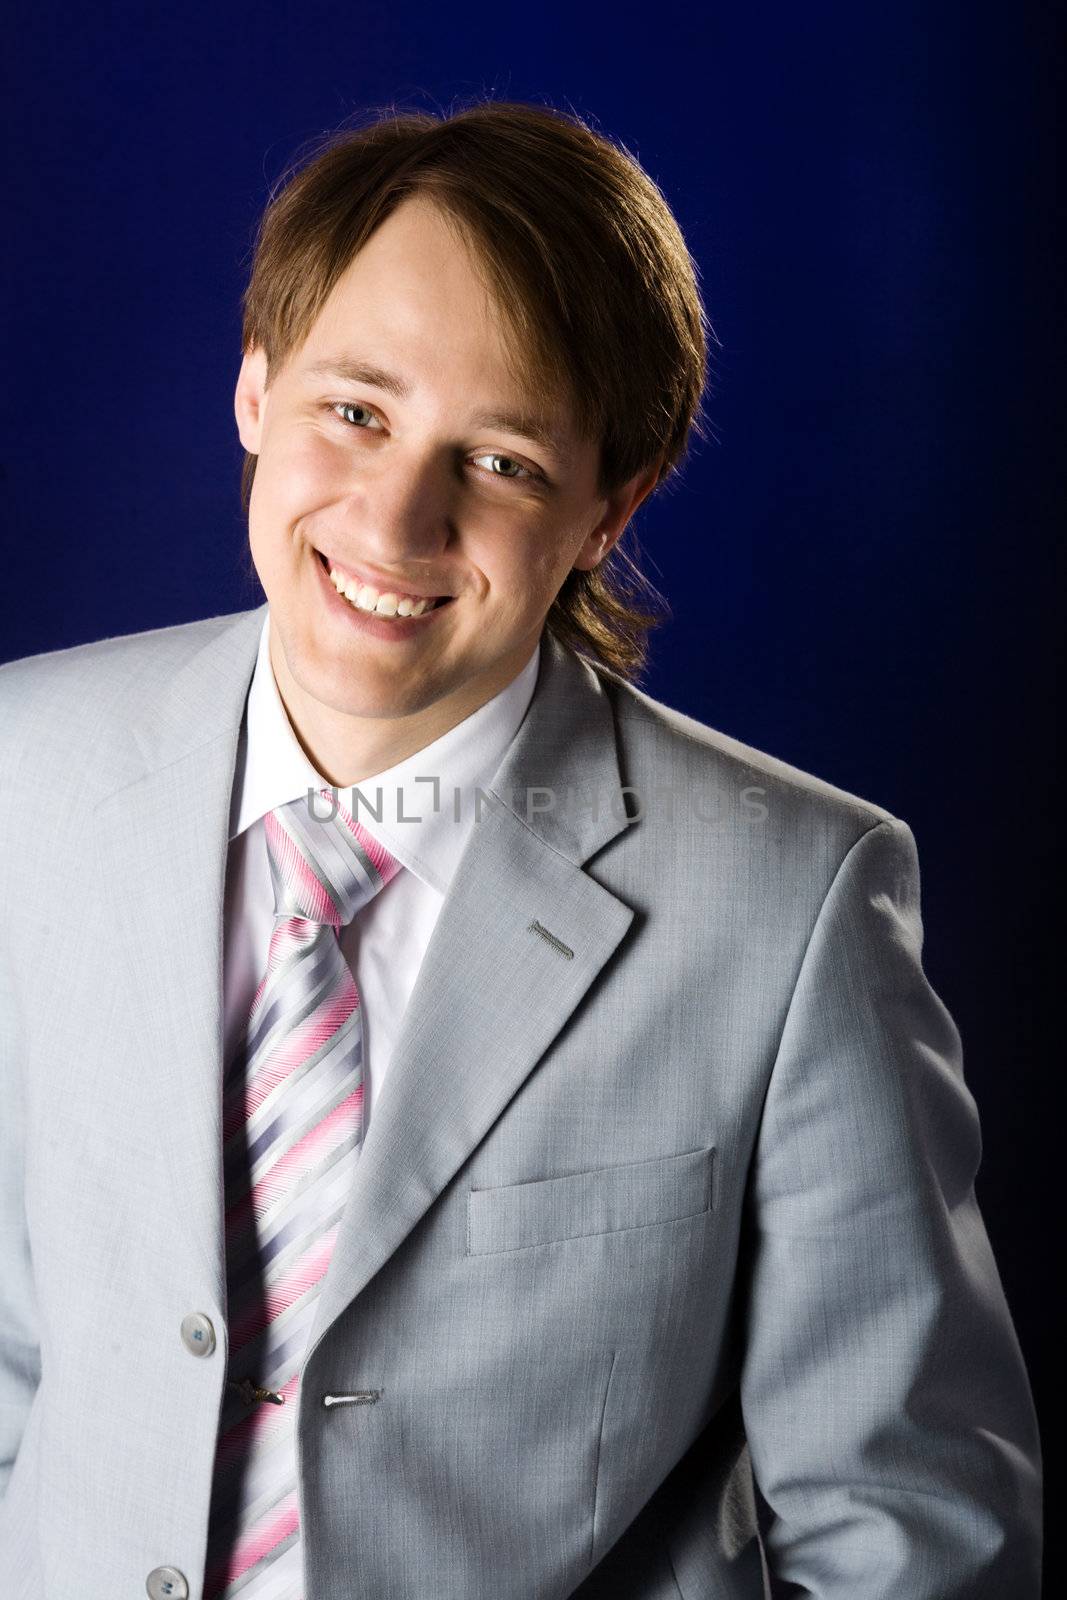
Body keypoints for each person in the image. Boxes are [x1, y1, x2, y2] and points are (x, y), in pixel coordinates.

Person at [0, 99, 1042, 1600]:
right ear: (254, 387)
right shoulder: (31, 775)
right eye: (353, 412)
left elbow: (914, 1535)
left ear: (611, 507)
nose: (397, 517)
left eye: (498, 462)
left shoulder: (795, 904)